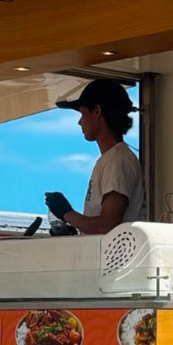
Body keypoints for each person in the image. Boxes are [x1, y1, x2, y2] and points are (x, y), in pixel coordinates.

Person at [45, 78, 146, 235]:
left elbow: (107, 226)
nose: (80, 122)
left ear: (97, 112)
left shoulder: (117, 161)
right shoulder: (112, 158)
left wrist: (66, 213)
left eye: (83, 113)